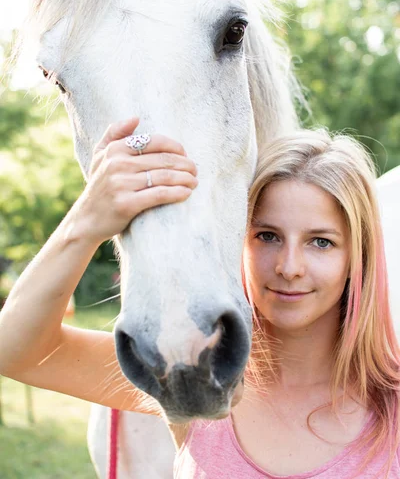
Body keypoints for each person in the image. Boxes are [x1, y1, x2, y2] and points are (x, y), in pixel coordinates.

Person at [0, 118, 399, 478]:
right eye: (267, 236)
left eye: (320, 242)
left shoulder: (392, 406)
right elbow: (16, 351)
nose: (289, 266)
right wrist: (87, 219)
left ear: (356, 257)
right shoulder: (198, 377)